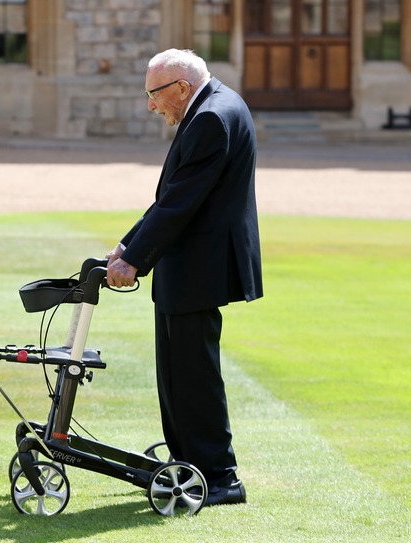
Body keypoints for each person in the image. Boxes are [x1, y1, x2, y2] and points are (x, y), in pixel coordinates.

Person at [105, 49, 262, 507]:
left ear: (181, 88)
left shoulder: (212, 117)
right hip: (189, 263)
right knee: (176, 373)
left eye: (154, 95)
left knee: (193, 375)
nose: (151, 106)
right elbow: (174, 196)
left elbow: (181, 202)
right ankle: (188, 462)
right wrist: (127, 245)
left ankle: (220, 477)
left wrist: (134, 260)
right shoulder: (214, 104)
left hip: (199, 265)